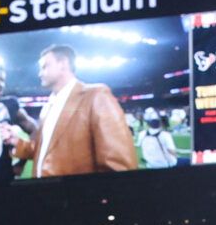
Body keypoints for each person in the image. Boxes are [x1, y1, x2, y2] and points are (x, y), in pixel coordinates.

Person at [10, 44, 137, 178]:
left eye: (44, 66)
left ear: (63, 64)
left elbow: (119, 164)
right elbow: (46, 151)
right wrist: (18, 143)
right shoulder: (47, 107)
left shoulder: (96, 95)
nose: (40, 73)